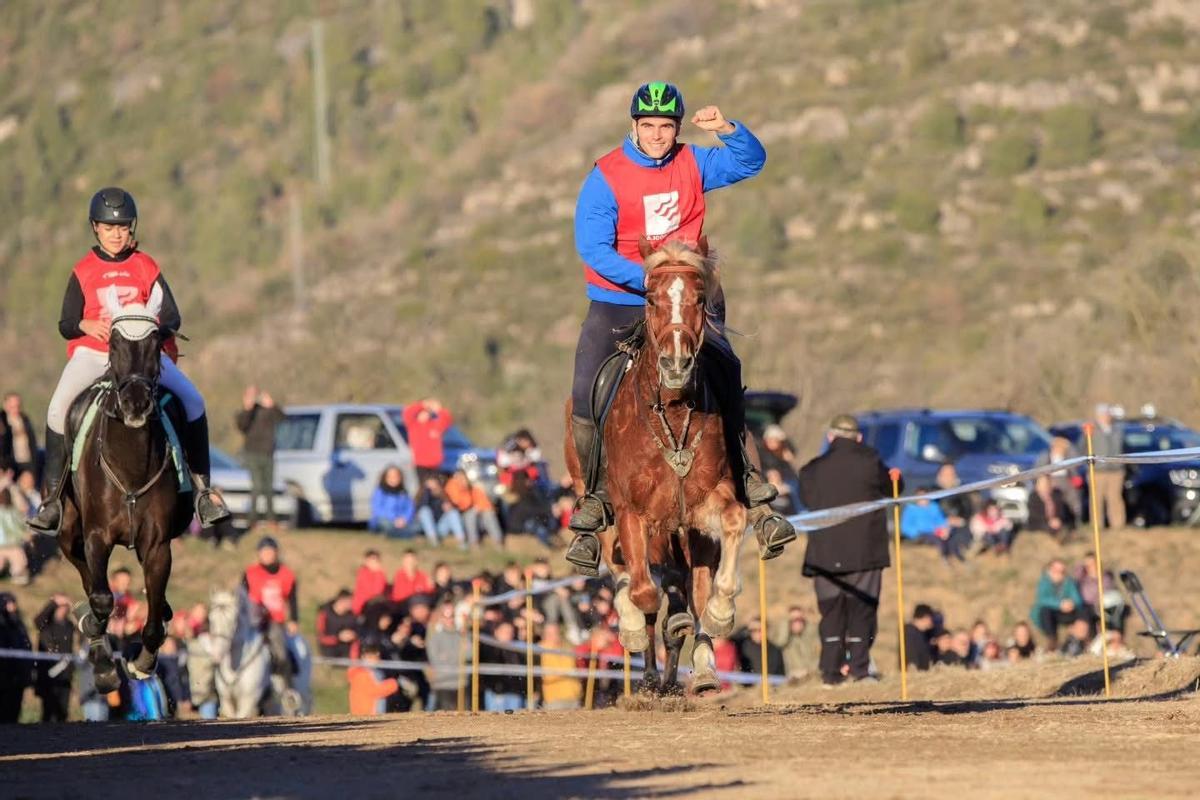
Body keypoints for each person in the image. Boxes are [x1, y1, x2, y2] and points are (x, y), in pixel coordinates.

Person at [565, 81, 794, 575]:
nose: (656, 135)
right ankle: (595, 499)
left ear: (677, 127)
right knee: (586, 390)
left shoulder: (693, 161)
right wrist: (650, 276)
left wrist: (729, 130)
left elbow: (750, 162)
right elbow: (593, 247)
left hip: (690, 298)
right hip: (621, 299)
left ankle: (748, 477)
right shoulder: (605, 176)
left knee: (726, 369)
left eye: (666, 126)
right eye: (647, 126)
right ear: (633, 126)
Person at [28, 187, 230, 534]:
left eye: (122, 228)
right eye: (109, 228)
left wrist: (146, 328)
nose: (117, 234)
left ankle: (203, 493)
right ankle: (52, 501)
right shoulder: (83, 270)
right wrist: (85, 324)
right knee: (57, 408)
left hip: (140, 357)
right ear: (95, 228)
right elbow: (65, 324)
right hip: (94, 352)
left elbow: (172, 316)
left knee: (194, 402)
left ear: (132, 229)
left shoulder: (146, 265)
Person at [798, 414, 897, 685]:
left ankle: (830, 673)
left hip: (824, 556)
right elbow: (894, 489)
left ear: (830, 437)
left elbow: (806, 499)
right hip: (864, 554)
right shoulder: (871, 461)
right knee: (861, 610)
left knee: (830, 612)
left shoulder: (810, 470)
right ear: (859, 438)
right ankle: (859, 670)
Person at [242, 536, 299, 683]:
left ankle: (287, 688)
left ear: (276, 553)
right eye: (264, 552)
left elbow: (292, 599)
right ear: (259, 554)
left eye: (270, 551)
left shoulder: (287, 574)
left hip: (274, 621)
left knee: (280, 650)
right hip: (252, 620)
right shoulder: (250, 573)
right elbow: (241, 597)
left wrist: (293, 620)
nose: (267, 555)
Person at [235, 385, 285, 531]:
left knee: (269, 488)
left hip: (268, 453)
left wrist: (272, 405)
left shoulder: (268, 410)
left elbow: (282, 418)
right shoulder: (245, 412)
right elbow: (241, 426)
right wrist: (248, 408)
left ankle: (272, 519)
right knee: (257, 487)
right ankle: (252, 520)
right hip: (253, 453)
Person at [33, 593, 76, 722]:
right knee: (48, 710)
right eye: (60, 606)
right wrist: (53, 602)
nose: (63, 609)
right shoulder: (46, 625)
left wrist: (73, 606)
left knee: (63, 711)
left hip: (65, 675)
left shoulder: (69, 625)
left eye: (65, 607)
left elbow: (83, 626)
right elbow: (38, 620)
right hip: (48, 675)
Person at [1030, 558, 1083, 649]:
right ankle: (1052, 640)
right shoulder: (1044, 582)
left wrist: (1071, 603)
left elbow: (1077, 599)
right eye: (1056, 570)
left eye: (1062, 571)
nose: (1059, 573)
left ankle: (1084, 637)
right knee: (1045, 611)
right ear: (1050, 570)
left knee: (1084, 611)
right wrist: (1060, 604)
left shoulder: (1068, 581)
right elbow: (1042, 599)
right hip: (1049, 615)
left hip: (1066, 613)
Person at [445, 468, 504, 547]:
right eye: (458, 477)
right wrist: (464, 489)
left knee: (488, 514)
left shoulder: (474, 487)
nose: (461, 479)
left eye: (463, 477)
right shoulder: (451, 486)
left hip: (478, 518)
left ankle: (498, 541)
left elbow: (486, 504)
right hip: (459, 518)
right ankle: (474, 543)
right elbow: (459, 503)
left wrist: (481, 508)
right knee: (471, 514)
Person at [1090, 404, 1126, 529]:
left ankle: (1118, 525)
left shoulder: (1117, 430)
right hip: (1098, 471)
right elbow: (1083, 448)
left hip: (1116, 471)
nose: (1107, 416)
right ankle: (1096, 526)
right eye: (1104, 414)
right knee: (1096, 499)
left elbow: (1123, 448)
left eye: (1108, 414)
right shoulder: (1092, 430)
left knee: (1115, 498)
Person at [403, 399, 454, 485]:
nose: (425, 414)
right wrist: (423, 404)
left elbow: (447, 420)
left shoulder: (435, 425)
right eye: (422, 412)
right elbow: (408, 413)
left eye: (427, 412)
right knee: (423, 488)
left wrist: (439, 409)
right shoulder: (413, 425)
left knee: (436, 488)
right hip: (420, 464)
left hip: (435, 464)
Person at [0, 592, 32, 722]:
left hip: (19, 675)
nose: (13, 606)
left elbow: (26, 645)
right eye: (9, 603)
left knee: (14, 710)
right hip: (4, 676)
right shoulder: (2, 625)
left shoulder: (19, 624)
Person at [538, 623, 582, 710]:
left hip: (574, 698)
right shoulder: (540, 649)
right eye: (550, 633)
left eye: (556, 632)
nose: (554, 636)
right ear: (544, 635)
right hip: (555, 700)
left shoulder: (567, 649)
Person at [347, 643, 399, 716]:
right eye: (370, 657)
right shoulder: (360, 673)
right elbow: (374, 691)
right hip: (366, 713)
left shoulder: (377, 671)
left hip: (374, 713)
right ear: (363, 657)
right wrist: (394, 684)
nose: (375, 660)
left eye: (377, 657)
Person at [369, 466, 419, 538]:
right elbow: (377, 509)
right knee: (385, 523)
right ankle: (405, 534)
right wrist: (394, 519)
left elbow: (410, 508)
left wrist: (404, 519)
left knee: (418, 525)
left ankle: (395, 533)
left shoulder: (403, 492)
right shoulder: (380, 491)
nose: (393, 479)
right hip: (385, 520)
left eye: (396, 476)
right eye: (390, 477)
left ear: (400, 478)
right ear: (385, 478)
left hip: (401, 521)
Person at [776, 607, 817, 681]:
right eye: (793, 620)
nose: (797, 623)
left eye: (800, 619)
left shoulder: (812, 638)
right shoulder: (786, 640)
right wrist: (786, 623)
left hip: (811, 676)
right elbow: (780, 642)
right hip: (792, 678)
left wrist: (809, 671)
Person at [3, 393, 38, 480]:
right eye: (12, 406)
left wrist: (34, 466)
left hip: (27, 464)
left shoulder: (25, 420)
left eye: (18, 406)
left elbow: (33, 443)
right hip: (10, 466)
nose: (16, 409)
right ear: (6, 406)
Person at [316, 589, 358, 659]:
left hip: (347, 652)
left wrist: (352, 635)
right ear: (341, 601)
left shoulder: (352, 616)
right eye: (349, 602)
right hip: (329, 650)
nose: (351, 604)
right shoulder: (325, 613)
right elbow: (321, 637)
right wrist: (338, 637)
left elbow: (357, 633)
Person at [0, 489, 30, 584]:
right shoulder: (12, 512)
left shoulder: (14, 511)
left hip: (13, 544)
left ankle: (17, 576)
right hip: (9, 544)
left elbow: (21, 524)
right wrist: (23, 534)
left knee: (19, 563)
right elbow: (17, 527)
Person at [352, 549, 389, 616]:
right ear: (366, 561)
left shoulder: (378, 574)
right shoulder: (363, 573)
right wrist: (379, 573)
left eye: (376, 561)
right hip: (362, 608)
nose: (374, 563)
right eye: (372, 560)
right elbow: (376, 592)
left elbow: (383, 588)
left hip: (373, 605)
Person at [903, 604, 937, 672]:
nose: (932, 622)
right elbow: (910, 655)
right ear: (926, 617)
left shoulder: (920, 633)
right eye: (931, 618)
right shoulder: (909, 632)